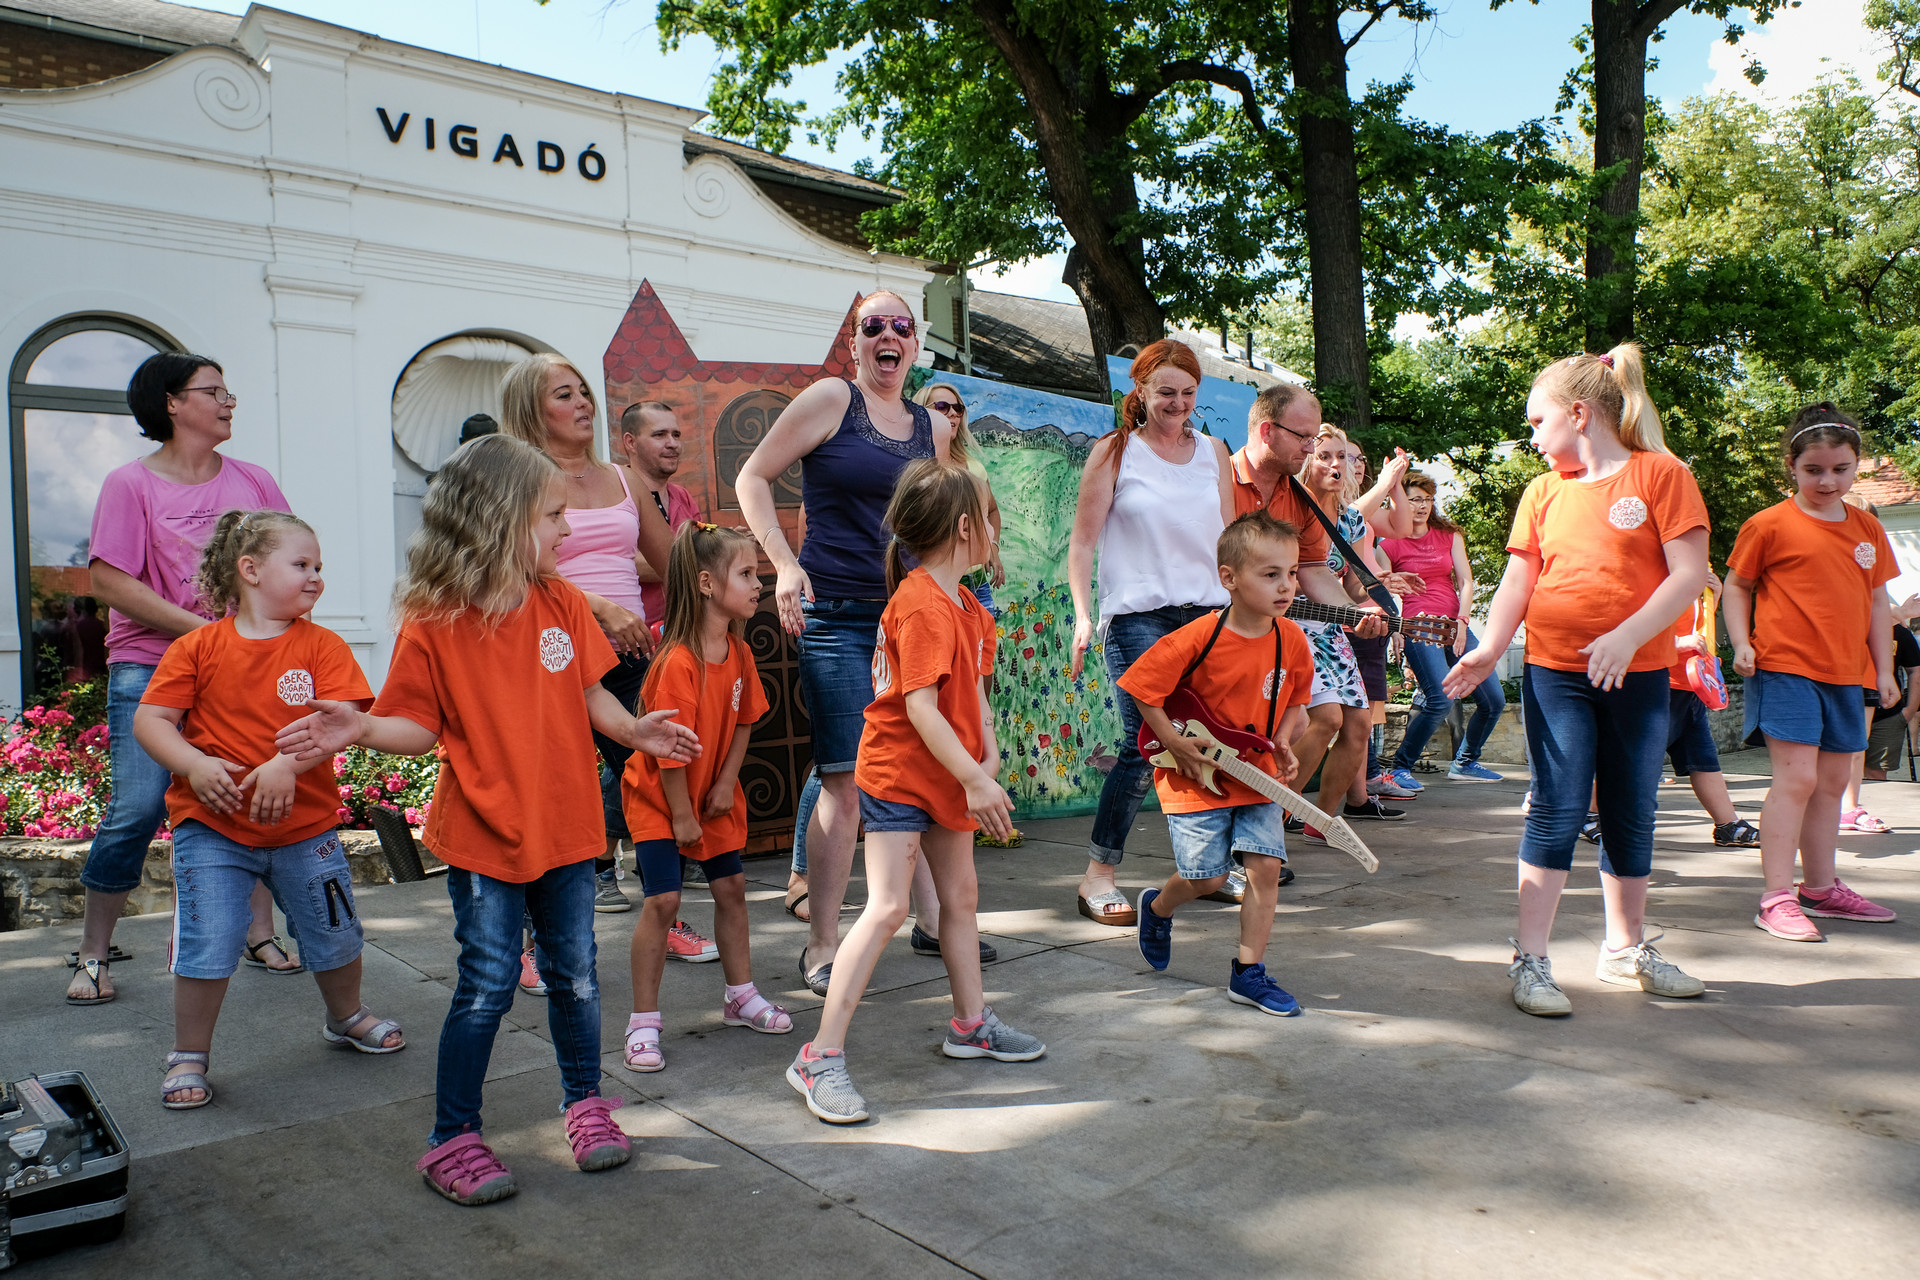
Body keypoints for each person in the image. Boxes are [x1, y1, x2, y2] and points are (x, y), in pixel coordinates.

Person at [273, 434, 700, 1206]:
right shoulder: (434, 621)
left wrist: (635, 730)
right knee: (488, 984)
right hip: (483, 835)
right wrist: (361, 726)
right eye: (553, 516)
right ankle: (452, 1137)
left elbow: (591, 695)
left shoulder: (562, 602)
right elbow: (417, 726)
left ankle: (584, 1104)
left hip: (567, 828)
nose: (567, 529)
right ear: (501, 519)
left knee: (574, 975)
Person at [1444, 344, 1711, 1017]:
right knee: (1557, 806)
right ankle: (1531, 958)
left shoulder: (1662, 474)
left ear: (1580, 414)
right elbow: (1519, 578)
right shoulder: (1543, 491)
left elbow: (1688, 575)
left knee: (1631, 807)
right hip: (1556, 673)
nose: (1532, 438)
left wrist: (1627, 636)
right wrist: (1488, 648)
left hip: (1639, 675)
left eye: (1538, 422)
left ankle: (1624, 949)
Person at [787, 461, 1042, 1124]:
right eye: (989, 516)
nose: (997, 529)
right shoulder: (923, 603)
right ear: (964, 527)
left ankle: (971, 1024)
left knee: (960, 898)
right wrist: (975, 777)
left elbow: (974, 696)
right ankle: (818, 1057)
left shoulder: (968, 607)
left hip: (948, 774)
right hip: (902, 773)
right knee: (888, 907)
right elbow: (920, 709)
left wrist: (987, 753)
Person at [134, 511, 401, 1108]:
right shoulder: (197, 647)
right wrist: (192, 763)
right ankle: (189, 1053)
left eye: (319, 566)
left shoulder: (322, 646)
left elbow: (344, 722)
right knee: (207, 938)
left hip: (306, 829)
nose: (316, 577)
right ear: (250, 570)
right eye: (301, 564)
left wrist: (286, 765)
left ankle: (346, 1016)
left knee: (334, 932)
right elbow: (151, 720)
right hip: (212, 827)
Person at [68, 352, 295, 1006]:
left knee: (249, 791)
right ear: (172, 403)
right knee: (138, 808)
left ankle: (258, 933)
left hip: (239, 665)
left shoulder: (253, 481)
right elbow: (109, 581)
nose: (229, 402)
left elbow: (287, 556)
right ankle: (93, 951)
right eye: (214, 391)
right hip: (150, 663)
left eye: (229, 392)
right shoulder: (130, 484)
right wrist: (202, 632)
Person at [736, 290, 945, 995]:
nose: (888, 336)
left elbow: (932, 528)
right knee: (846, 780)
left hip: (906, 622)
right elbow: (752, 476)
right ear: (854, 343)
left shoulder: (930, 427)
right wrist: (783, 564)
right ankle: (822, 943)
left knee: (920, 771)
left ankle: (932, 920)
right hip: (835, 618)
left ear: (914, 344)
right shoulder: (833, 399)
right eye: (872, 326)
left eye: (901, 326)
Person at [499, 357, 702, 949]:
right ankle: (531, 943)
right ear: (532, 410)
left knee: (658, 778)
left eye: (583, 392)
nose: (584, 403)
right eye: (564, 395)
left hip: (629, 660)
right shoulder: (519, 479)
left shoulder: (623, 478)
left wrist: (716, 587)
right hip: (547, 658)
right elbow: (511, 570)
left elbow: (674, 564)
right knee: (547, 799)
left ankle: (664, 917)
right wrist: (600, 608)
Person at [1066, 340, 1234, 927]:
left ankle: (1208, 868)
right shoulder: (1115, 452)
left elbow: (1231, 541)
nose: (1178, 403)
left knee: (1216, 743)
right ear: (1140, 390)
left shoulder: (1214, 452)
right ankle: (1098, 874)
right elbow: (1082, 543)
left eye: (1188, 393)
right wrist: (1084, 616)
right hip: (1140, 618)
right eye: (1166, 392)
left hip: (1211, 617)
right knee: (1144, 745)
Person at [1119, 512, 1314, 1015]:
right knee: (1206, 878)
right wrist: (1173, 742)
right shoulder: (1198, 637)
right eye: (1270, 574)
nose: (1286, 585)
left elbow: (1297, 699)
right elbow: (1143, 689)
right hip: (1195, 777)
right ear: (1229, 578)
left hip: (1258, 775)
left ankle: (1249, 973)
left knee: (1265, 868)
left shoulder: (1291, 639)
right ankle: (1157, 907)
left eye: (1292, 573)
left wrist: (1284, 740)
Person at [1722, 404, 1902, 942]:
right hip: (1785, 667)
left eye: (1841, 469)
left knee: (1832, 784)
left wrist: (1884, 669)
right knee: (1797, 779)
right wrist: (1741, 642)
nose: (1828, 481)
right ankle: (1776, 897)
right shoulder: (1768, 524)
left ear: (1856, 465)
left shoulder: (1867, 528)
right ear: (1792, 467)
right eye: (1814, 470)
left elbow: (1877, 603)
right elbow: (1736, 586)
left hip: (1846, 673)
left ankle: (1820, 889)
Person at [622, 524, 791, 1072]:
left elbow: (745, 721)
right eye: (746, 573)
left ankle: (741, 996)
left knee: (732, 889)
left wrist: (724, 783)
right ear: (706, 584)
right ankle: (643, 1022)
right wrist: (680, 815)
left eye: (757, 573)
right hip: (661, 799)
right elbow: (669, 749)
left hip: (709, 798)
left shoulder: (738, 652)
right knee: (663, 903)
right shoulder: (678, 662)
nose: (758, 584)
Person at [1286, 427, 1404, 839]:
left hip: (1331, 627)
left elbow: (1353, 587)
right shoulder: (1288, 507)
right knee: (1327, 719)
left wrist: (1375, 594)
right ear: (1306, 461)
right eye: (1324, 456)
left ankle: (1321, 821)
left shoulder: (1351, 520)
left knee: (1358, 725)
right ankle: (1272, 815)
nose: (1336, 464)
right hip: (1291, 626)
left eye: (1342, 456)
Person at [1380, 471, 1507, 788]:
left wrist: (1463, 622)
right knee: (1440, 699)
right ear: (1399, 502)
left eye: (1427, 499)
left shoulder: (1449, 535)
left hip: (1455, 625)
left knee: (1494, 700)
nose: (1422, 506)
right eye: (1414, 500)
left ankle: (1465, 762)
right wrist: (1395, 629)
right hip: (1418, 627)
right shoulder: (1389, 544)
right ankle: (1400, 768)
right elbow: (1381, 591)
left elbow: (1465, 581)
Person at [1666, 574, 1761, 847]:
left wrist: (1713, 599)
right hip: (1660, 682)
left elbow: (1699, 631)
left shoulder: (1693, 582)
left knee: (1703, 760)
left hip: (1691, 684)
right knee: (1633, 760)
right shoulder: (1658, 576)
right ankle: (1590, 813)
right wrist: (1676, 643)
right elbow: (1634, 625)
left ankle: (1727, 825)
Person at [619, 400, 703, 626]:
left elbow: (702, 553)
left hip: (684, 631)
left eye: (676, 435)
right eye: (660, 435)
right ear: (630, 442)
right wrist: (701, 559)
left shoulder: (683, 496)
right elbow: (622, 562)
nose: (673, 444)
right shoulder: (615, 494)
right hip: (633, 637)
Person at [1862, 610, 1920, 781]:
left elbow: (1915, 670)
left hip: (1887, 715)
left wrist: (1910, 710)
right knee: (1843, 771)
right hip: (1848, 711)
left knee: (1876, 775)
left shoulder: (1900, 632)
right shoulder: (1851, 626)